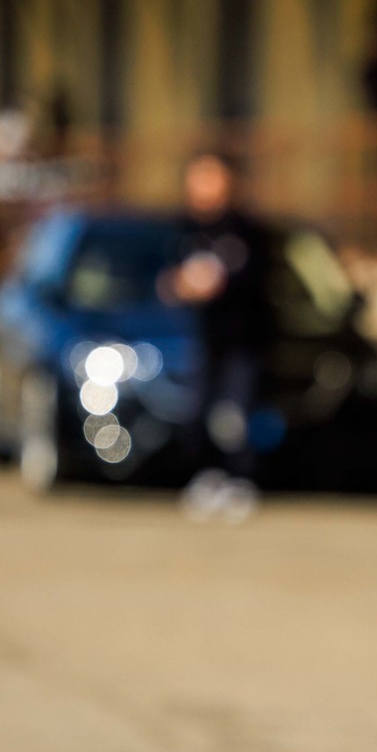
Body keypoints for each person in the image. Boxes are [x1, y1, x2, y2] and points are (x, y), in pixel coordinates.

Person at [160, 148, 275, 522]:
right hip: (199, 341)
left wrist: (219, 284)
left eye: (212, 176)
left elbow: (258, 282)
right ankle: (204, 477)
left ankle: (240, 480)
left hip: (242, 341)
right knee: (196, 412)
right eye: (197, 177)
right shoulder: (182, 231)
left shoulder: (247, 232)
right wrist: (179, 285)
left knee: (234, 415)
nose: (203, 186)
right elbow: (163, 280)